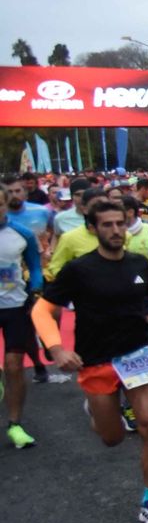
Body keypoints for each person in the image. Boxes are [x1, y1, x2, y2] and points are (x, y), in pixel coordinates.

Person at [31, 199, 148, 523]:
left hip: (138, 354)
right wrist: (57, 350)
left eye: (120, 223)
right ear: (92, 229)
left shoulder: (138, 263)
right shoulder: (80, 269)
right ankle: (97, 410)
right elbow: (42, 311)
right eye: (107, 225)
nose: (116, 230)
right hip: (96, 360)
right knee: (112, 438)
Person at [0, 189, 44, 447]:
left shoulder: (22, 233)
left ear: (6, 205)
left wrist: (36, 290)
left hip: (15, 306)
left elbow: (35, 266)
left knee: (15, 365)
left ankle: (15, 424)